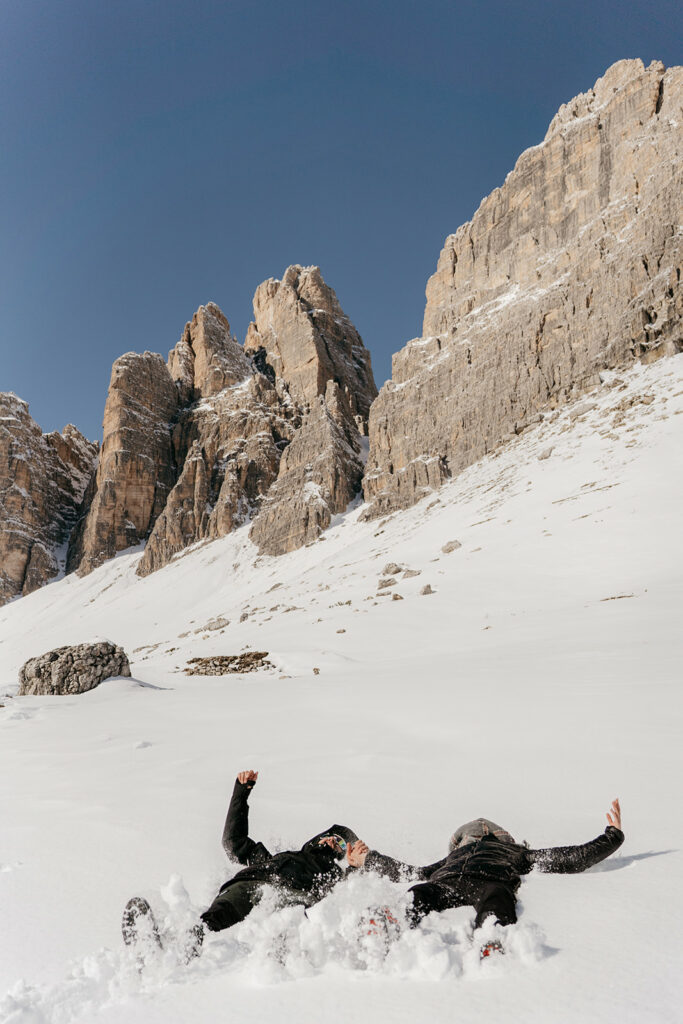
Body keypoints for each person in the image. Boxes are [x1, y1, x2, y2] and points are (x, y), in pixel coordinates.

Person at [123, 769, 360, 960]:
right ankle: (177, 944)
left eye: (338, 842)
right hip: (250, 883)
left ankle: (278, 955)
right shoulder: (270, 859)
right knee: (218, 912)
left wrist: (355, 866)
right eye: (329, 836)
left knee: (285, 913)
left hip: (293, 897)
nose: (330, 840)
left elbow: (348, 897)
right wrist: (240, 792)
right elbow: (233, 842)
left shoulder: (332, 876)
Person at [347, 799, 623, 938]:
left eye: (485, 833)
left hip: (491, 881)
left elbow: (570, 858)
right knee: (419, 892)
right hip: (447, 882)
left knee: (497, 899)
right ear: (459, 843)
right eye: (471, 835)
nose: (479, 835)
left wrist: (612, 836)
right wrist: (368, 860)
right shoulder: (447, 862)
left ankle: (492, 935)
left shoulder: (519, 853)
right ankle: (387, 921)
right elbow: (409, 873)